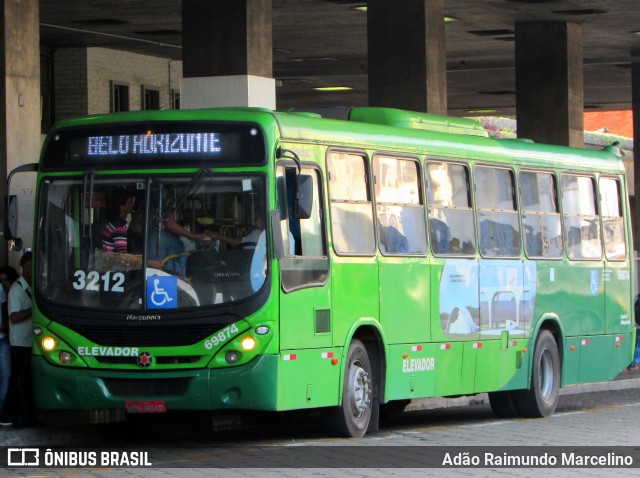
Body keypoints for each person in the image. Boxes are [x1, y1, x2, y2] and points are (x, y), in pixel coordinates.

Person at [8, 251, 37, 426]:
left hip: (30, 342)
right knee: (24, 381)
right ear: (25, 267)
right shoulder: (16, 289)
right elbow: (14, 317)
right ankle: (26, 416)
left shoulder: (32, 286)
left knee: (29, 380)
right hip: (20, 344)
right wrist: (34, 310)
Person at [0, 265, 18, 425]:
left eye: (6, 280)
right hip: (6, 339)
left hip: (5, 338)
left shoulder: (5, 292)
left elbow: (7, 315)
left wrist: (4, 324)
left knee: (7, 378)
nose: (4, 283)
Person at [102, 187, 136, 253]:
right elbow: (123, 257)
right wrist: (151, 262)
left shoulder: (112, 223)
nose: (133, 204)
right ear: (121, 206)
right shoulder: (119, 228)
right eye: (130, 202)